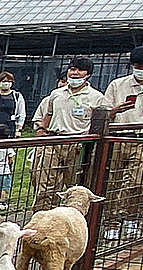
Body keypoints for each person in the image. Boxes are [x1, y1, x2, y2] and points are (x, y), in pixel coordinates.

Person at [31, 56, 105, 211]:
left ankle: (73, 217)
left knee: (75, 185)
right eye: (72, 69)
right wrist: (41, 130)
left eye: (80, 70)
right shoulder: (56, 93)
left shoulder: (96, 97)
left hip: (77, 145)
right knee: (44, 184)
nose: (75, 73)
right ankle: (43, 215)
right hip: (53, 140)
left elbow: (102, 120)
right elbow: (48, 114)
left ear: (88, 74)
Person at [100, 45, 143, 240]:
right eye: (138, 66)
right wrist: (115, 110)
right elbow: (103, 111)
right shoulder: (117, 85)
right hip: (118, 137)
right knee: (113, 181)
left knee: (142, 181)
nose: (142, 70)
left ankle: (131, 217)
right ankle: (111, 222)